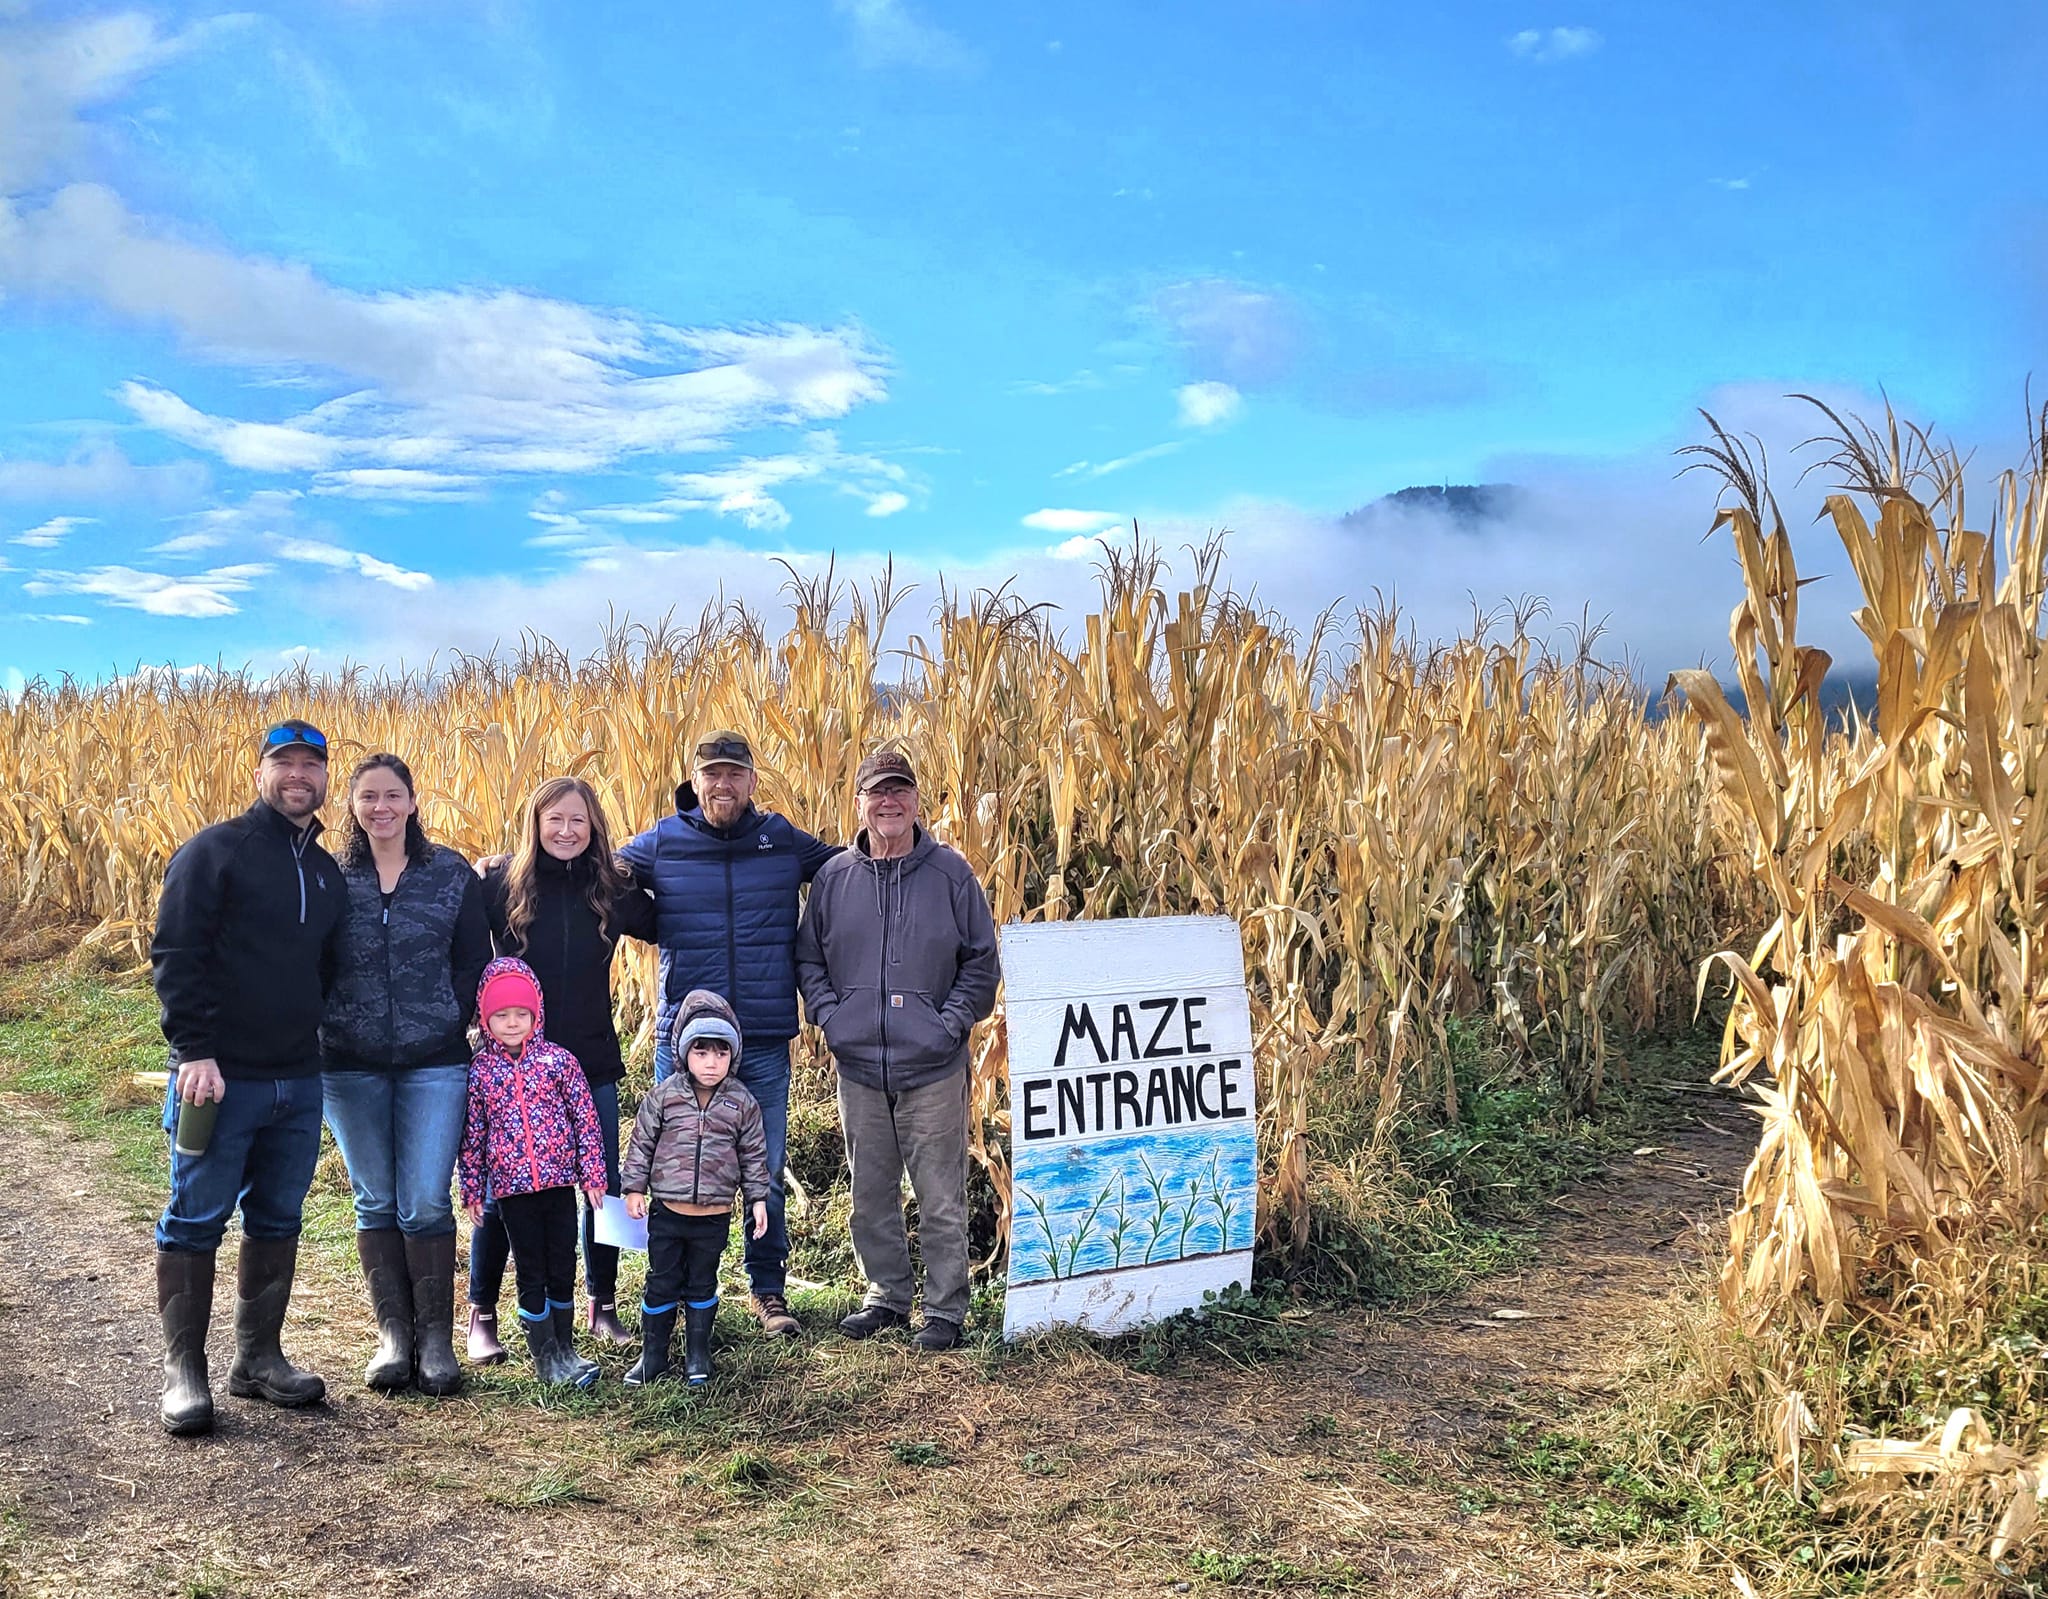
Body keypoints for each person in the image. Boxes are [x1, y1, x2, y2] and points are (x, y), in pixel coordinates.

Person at [150, 717, 348, 1435]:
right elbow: (176, 951)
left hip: (297, 1080)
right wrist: (194, 1049)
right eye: (284, 763)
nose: (298, 776)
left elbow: (325, 968)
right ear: (260, 772)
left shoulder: (325, 871)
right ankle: (184, 1372)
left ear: (324, 777)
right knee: (196, 1214)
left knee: (278, 1217)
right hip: (218, 1077)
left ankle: (258, 1358)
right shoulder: (215, 852)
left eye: (311, 765)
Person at [620, 730, 838, 1340]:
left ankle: (768, 1290)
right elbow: (599, 868)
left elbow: (847, 867)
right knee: (676, 1167)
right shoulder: (664, 840)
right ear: (694, 780)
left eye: (734, 774)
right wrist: (504, 867)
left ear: (751, 781)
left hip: (761, 1036)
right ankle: (671, 1292)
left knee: (763, 1170)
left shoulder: (780, 838)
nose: (723, 784)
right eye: (712, 774)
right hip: (685, 1041)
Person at [795, 748, 1000, 1352]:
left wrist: (947, 1024)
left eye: (900, 790)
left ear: (915, 799)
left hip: (933, 1067)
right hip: (860, 1066)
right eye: (877, 792)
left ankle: (944, 1309)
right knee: (869, 1194)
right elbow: (809, 958)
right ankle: (886, 1296)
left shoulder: (951, 875)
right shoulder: (835, 878)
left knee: (939, 1195)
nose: (889, 802)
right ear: (859, 802)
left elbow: (981, 963)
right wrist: (832, 1018)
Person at [467, 777, 656, 1362]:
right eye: (555, 819)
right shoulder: (502, 883)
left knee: (603, 1186)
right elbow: (462, 935)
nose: (567, 831)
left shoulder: (611, 888)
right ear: (535, 824)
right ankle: (482, 1314)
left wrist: (654, 862)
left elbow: (665, 920)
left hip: (590, 1059)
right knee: (503, 1189)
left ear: (594, 826)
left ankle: (603, 1304)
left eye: (578, 820)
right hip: (515, 1066)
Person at [320, 753, 492, 1397]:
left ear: (413, 802)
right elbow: (307, 958)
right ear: (353, 805)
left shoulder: (448, 873)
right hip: (348, 1062)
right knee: (375, 1199)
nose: (381, 807)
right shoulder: (331, 876)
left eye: (393, 795)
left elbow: (473, 958)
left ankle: (435, 1340)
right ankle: (394, 1337)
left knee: (424, 1199)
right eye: (368, 796)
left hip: (434, 1062)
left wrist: (447, 1015)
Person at [458, 957, 609, 1388]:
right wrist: (472, 1189)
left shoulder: (559, 1063)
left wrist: (592, 1174)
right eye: (501, 1015)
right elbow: (473, 1135)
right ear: (486, 1019)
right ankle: (545, 1358)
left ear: (536, 1015)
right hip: (512, 1191)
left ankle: (565, 1348)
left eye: (521, 1014)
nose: (512, 1023)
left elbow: (585, 1121)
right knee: (531, 1270)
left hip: (558, 1184)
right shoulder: (481, 1073)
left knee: (562, 1263)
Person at [619, 990, 770, 1387]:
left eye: (721, 1053)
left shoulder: (742, 1103)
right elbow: (641, 1144)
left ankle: (697, 1354)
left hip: (713, 1216)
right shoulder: (664, 1096)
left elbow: (754, 1155)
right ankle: (653, 1356)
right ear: (684, 1053)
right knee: (661, 1281)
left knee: (702, 1281)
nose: (711, 1063)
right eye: (701, 1053)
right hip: (667, 1213)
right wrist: (633, 1188)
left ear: (733, 1056)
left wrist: (757, 1199)